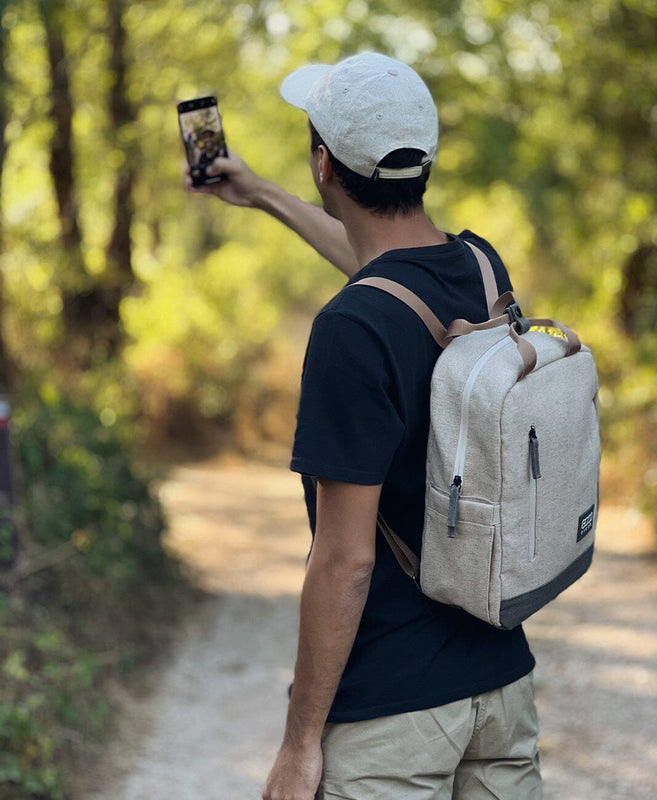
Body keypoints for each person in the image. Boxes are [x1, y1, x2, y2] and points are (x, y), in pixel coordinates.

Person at [187, 51, 541, 800]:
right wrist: (259, 195)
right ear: (424, 161)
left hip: (393, 721)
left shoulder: (353, 329)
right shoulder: (479, 268)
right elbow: (382, 264)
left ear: (326, 164)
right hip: (500, 689)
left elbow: (345, 563)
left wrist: (298, 746)